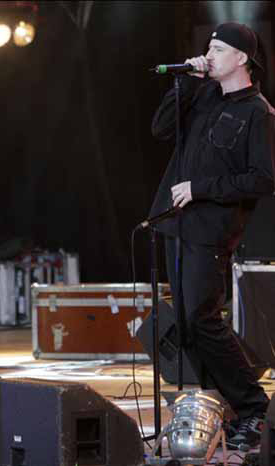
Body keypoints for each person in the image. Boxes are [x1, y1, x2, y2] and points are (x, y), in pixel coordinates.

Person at [149, 22, 274, 450]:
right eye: (209, 47)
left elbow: (263, 179)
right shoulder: (202, 94)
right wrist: (187, 82)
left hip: (211, 231)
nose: (209, 54)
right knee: (185, 326)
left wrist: (201, 188)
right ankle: (220, 406)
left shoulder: (258, 112)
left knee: (202, 319)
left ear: (241, 58)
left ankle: (255, 409)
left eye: (218, 49)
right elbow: (160, 128)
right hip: (176, 223)